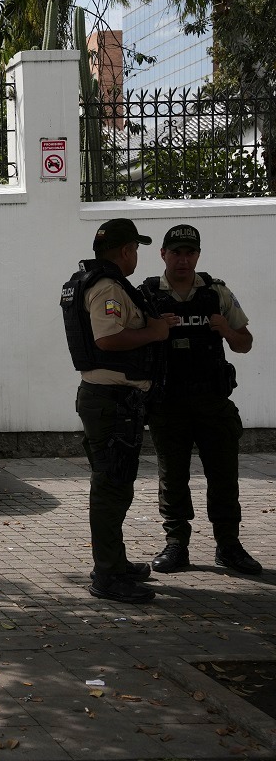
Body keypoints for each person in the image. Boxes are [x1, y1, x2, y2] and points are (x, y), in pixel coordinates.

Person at [140, 225, 260, 575]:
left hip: (212, 402)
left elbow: (245, 343)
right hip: (168, 404)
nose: (183, 259)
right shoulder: (146, 295)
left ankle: (229, 546)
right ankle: (176, 545)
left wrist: (226, 329)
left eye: (189, 252)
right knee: (172, 477)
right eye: (176, 251)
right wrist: (154, 330)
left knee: (224, 476)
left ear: (197, 255)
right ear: (163, 254)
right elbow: (128, 343)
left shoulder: (216, 293)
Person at [61, 218, 169, 603]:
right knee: (111, 487)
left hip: (112, 399)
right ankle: (107, 576)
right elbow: (107, 339)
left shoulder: (98, 283)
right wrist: (155, 333)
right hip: (111, 401)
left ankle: (115, 563)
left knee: (116, 484)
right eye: (136, 249)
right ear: (125, 251)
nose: (136, 255)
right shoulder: (107, 286)